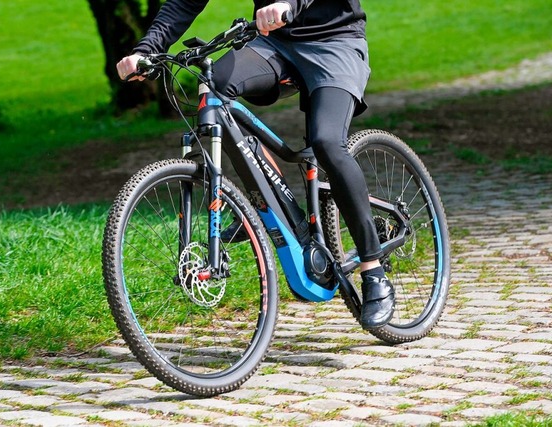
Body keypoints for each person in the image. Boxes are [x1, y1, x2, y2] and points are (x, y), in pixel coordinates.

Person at [116, 0, 395, 330]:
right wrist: (147, 49)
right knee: (214, 86)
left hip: (335, 42)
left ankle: (373, 269)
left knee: (326, 143)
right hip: (275, 44)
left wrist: (287, 3)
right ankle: (268, 196)